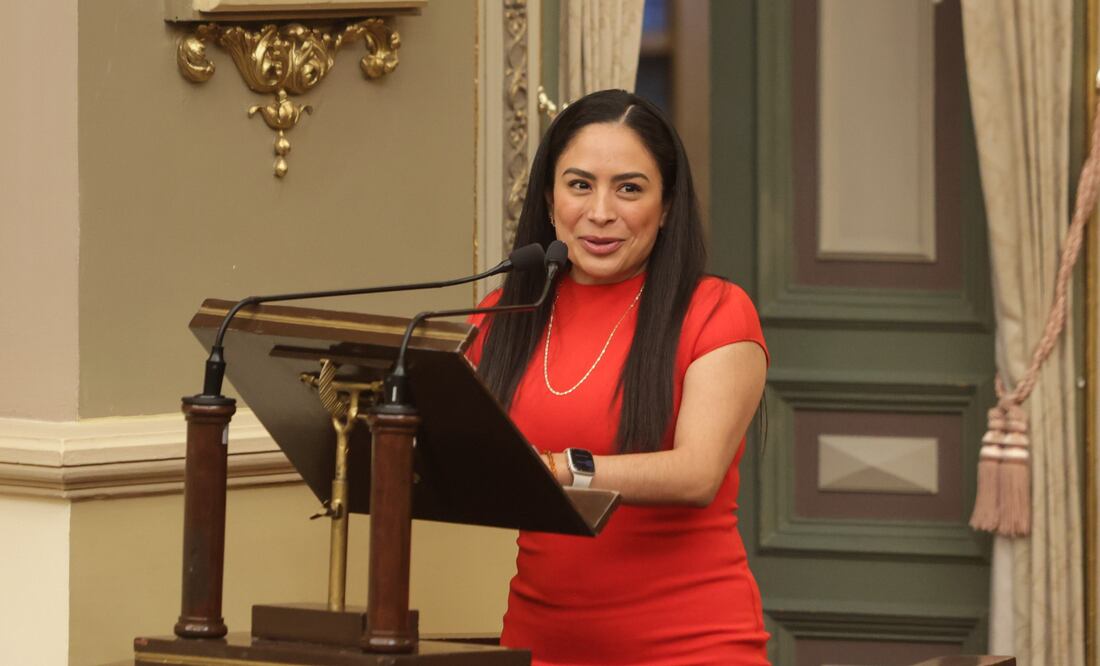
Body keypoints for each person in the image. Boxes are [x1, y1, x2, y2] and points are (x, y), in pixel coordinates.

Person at [467, 89, 770, 666]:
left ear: (668, 205)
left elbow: (696, 474)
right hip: (537, 643)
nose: (601, 211)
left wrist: (561, 469)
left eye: (629, 188)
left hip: (692, 647)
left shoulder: (715, 311)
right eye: (580, 185)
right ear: (550, 199)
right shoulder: (502, 316)